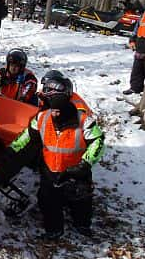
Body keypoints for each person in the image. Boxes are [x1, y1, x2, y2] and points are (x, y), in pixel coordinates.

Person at [8, 74, 104, 240]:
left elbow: (98, 141)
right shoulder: (42, 118)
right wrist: (11, 151)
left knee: (80, 199)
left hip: (76, 170)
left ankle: (82, 224)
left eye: (58, 110)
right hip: (50, 169)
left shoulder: (84, 121)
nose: (55, 114)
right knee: (48, 200)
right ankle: (54, 230)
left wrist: (85, 163)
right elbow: (26, 137)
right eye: (53, 110)